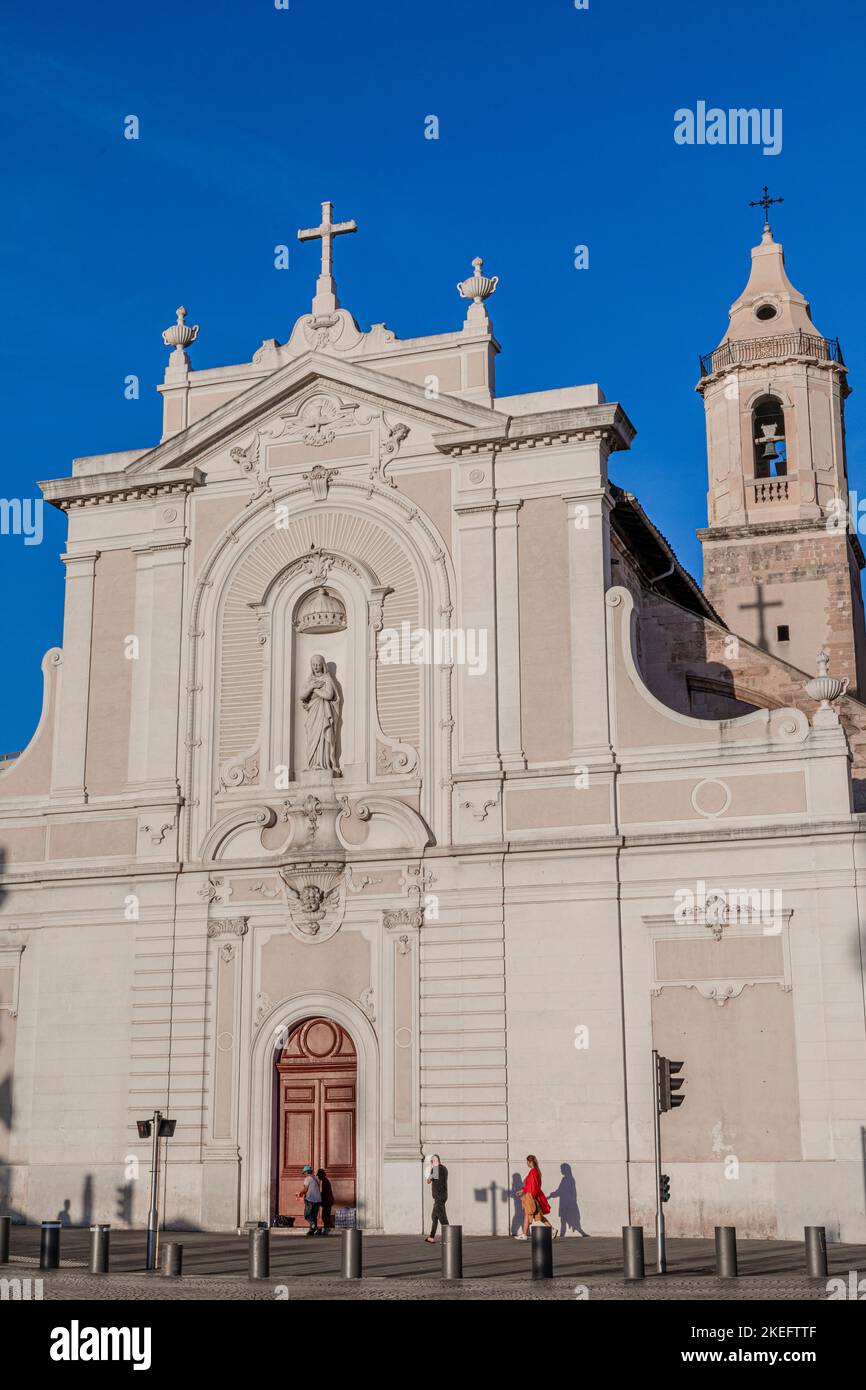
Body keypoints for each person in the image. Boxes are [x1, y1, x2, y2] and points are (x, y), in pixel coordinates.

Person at [515, 1155, 556, 1239]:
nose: (527, 1163)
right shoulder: (536, 1171)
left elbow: (533, 1186)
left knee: (527, 1214)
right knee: (538, 1216)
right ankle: (552, 1229)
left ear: (530, 1162)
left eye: (527, 1162)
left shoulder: (533, 1172)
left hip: (531, 1196)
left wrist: (530, 1197)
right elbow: (530, 1185)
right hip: (533, 1196)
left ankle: (524, 1234)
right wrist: (522, 1191)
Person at [424, 1153, 449, 1243]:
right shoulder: (444, 1168)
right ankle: (431, 1237)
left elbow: (428, 1181)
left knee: (443, 1218)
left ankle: (448, 1238)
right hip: (442, 1196)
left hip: (438, 1197)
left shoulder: (435, 1169)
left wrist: (430, 1168)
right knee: (434, 1216)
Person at [296, 1164, 323, 1236]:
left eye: (304, 1173)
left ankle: (315, 1227)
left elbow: (305, 1190)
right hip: (318, 1200)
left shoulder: (307, 1179)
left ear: (307, 1172)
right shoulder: (316, 1178)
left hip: (310, 1199)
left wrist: (299, 1193)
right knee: (313, 1216)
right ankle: (312, 1230)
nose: (304, 1174)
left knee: (307, 1215)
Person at [316, 1167, 334, 1233]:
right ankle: (330, 1227)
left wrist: (318, 1196)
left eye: (319, 1175)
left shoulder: (325, 1182)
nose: (318, 1177)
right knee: (326, 1215)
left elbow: (325, 1193)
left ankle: (328, 1228)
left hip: (327, 1201)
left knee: (325, 1216)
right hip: (328, 1201)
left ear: (322, 1175)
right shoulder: (325, 1181)